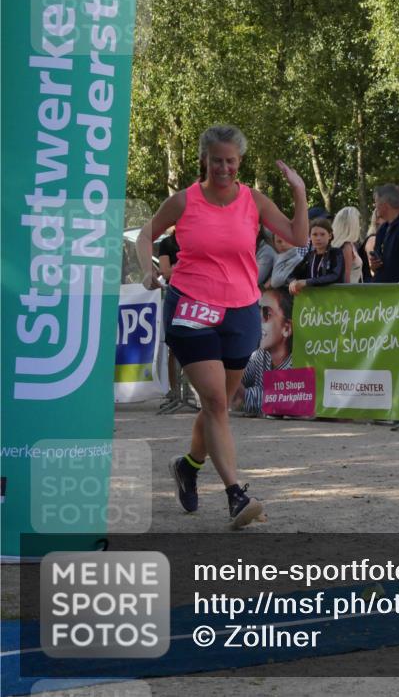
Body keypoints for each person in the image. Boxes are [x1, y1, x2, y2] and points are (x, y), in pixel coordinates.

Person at [137, 124, 308, 527]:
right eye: (217, 161)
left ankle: (188, 466)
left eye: (231, 161)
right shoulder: (184, 201)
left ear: (239, 161)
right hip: (191, 309)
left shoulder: (253, 200)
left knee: (220, 406)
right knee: (214, 402)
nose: (224, 168)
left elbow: (298, 236)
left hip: (240, 312)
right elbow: (146, 235)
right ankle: (235, 495)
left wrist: (299, 192)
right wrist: (148, 270)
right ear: (205, 160)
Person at [232, 287, 294, 416]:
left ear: (286, 328)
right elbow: (237, 376)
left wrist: (241, 393)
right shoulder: (261, 354)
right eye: (257, 312)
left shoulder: (296, 365)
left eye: (267, 314)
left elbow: (282, 401)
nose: (258, 321)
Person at [156, 227, 181, 396]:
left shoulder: (201, 238)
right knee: (174, 345)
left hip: (199, 297)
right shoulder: (167, 243)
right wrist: (189, 267)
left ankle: (189, 392)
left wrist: (177, 268)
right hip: (175, 296)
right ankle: (175, 391)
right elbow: (165, 273)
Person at [289, 218, 345, 295]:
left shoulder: (336, 253)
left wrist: (307, 282)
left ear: (329, 236)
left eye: (322, 234)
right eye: (315, 234)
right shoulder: (309, 256)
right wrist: (292, 281)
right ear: (310, 237)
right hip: (313, 299)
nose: (318, 238)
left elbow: (335, 276)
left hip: (333, 297)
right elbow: (293, 274)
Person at [331, 206, 363, 284]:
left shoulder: (341, 244)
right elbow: (346, 275)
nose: (359, 225)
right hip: (351, 289)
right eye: (358, 221)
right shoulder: (346, 246)